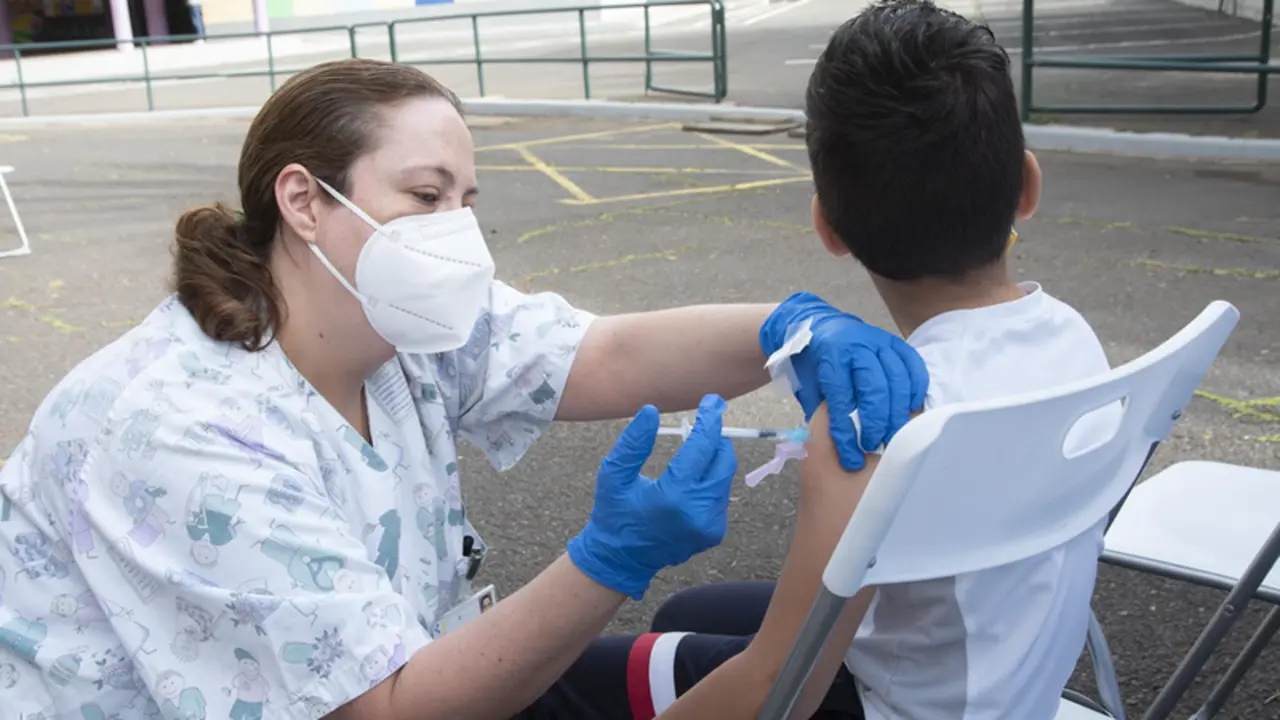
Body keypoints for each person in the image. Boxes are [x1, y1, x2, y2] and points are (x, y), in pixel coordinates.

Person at [0, 59, 928, 718]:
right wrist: (610, 560)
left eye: (466, 200)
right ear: (305, 200)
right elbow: (384, 708)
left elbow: (596, 353)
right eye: (424, 194)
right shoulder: (178, 427)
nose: (457, 234)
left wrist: (788, 328)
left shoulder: (399, 321)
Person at [537, 2, 1117, 718]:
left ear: (828, 228)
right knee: (689, 609)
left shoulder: (868, 426)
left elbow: (778, 689)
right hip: (1007, 672)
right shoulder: (1075, 338)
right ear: (1026, 187)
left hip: (892, 704)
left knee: (548, 680)